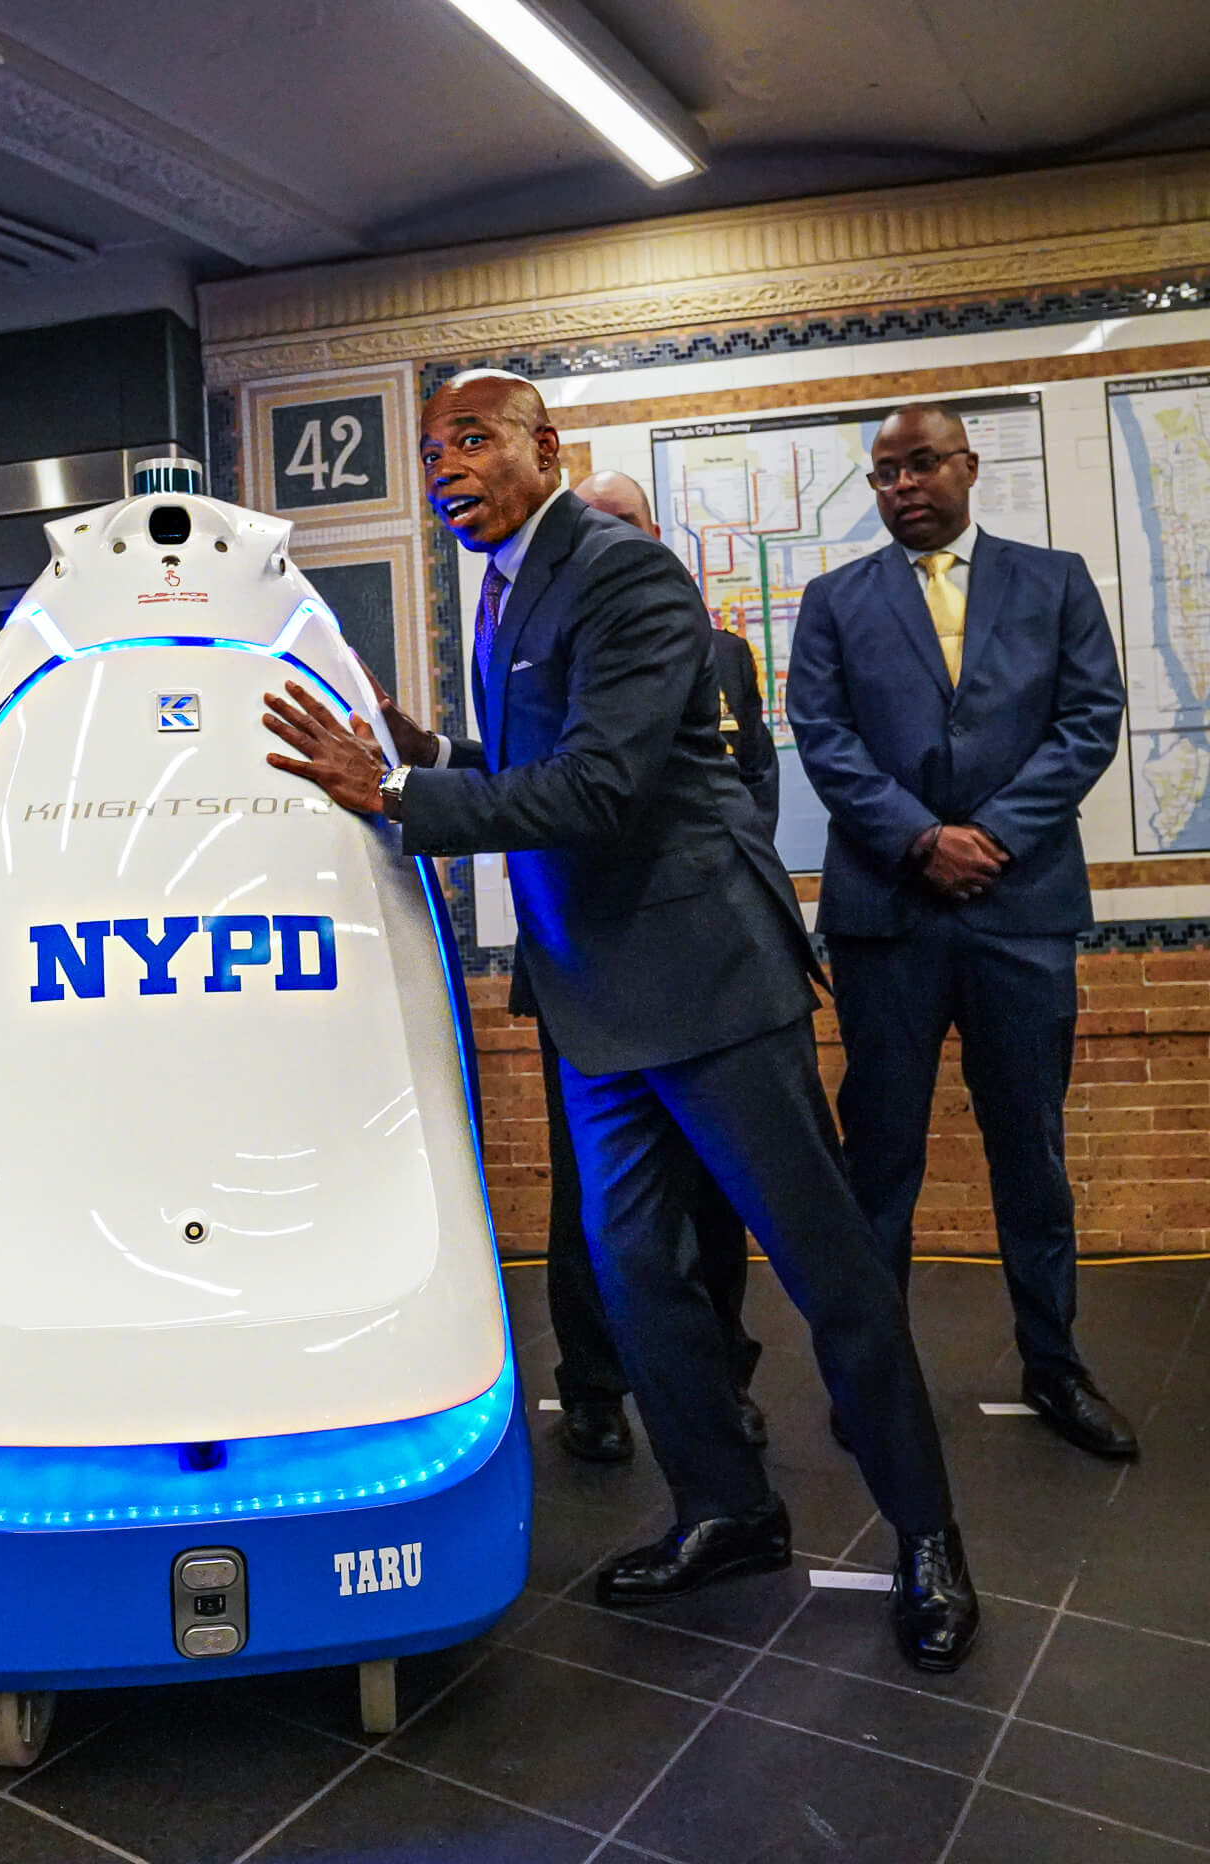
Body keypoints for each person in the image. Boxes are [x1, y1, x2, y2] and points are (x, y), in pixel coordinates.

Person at [261, 369, 979, 1672]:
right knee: (638, 1275)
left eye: (472, 439)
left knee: (830, 1273)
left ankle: (929, 1534)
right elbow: (533, 764)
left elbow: (599, 788)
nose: (445, 466)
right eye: (432, 450)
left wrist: (404, 795)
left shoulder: (625, 574)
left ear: (549, 447)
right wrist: (420, 747)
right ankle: (726, 1507)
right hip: (596, 999)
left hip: (705, 982)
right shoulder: (505, 587)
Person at [787, 404, 1136, 1459]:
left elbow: (1090, 716)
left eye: (920, 463)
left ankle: (1053, 1367)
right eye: (883, 471)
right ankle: (870, 1381)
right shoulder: (832, 599)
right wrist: (916, 838)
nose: (901, 485)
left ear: (967, 466)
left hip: (1019, 911)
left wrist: (984, 833)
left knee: (1027, 1150)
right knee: (879, 1160)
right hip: (885, 920)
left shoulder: (1055, 579)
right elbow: (822, 735)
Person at [522, 469, 775, 1465]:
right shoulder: (535, 656)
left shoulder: (724, 657)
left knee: (717, 1193)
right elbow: (535, 791)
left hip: (703, 968)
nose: (606, 543)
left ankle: (722, 1384)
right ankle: (591, 1384)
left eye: (622, 524)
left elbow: (746, 786)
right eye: (589, 526)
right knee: (591, 1199)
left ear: (655, 536)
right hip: (584, 964)